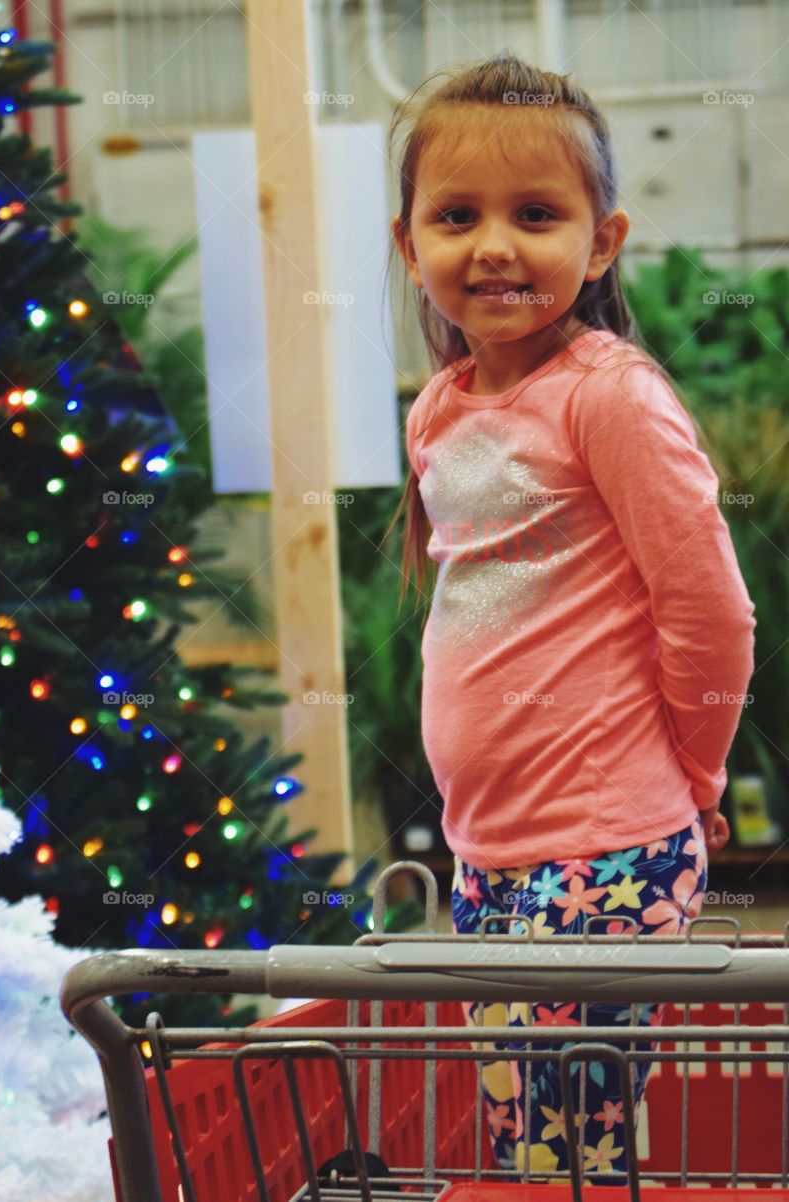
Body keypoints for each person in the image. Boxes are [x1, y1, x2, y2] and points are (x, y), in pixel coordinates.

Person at [383, 49, 756, 1184]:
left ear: (601, 240)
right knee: (530, 1143)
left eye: (535, 213)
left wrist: (692, 782)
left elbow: (711, 613)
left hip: (604, 842)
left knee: (565, 1152)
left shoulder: (611, 396)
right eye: (457, 215)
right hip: (492, 844)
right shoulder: (443, 404)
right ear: (411, 246)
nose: (493, 243)